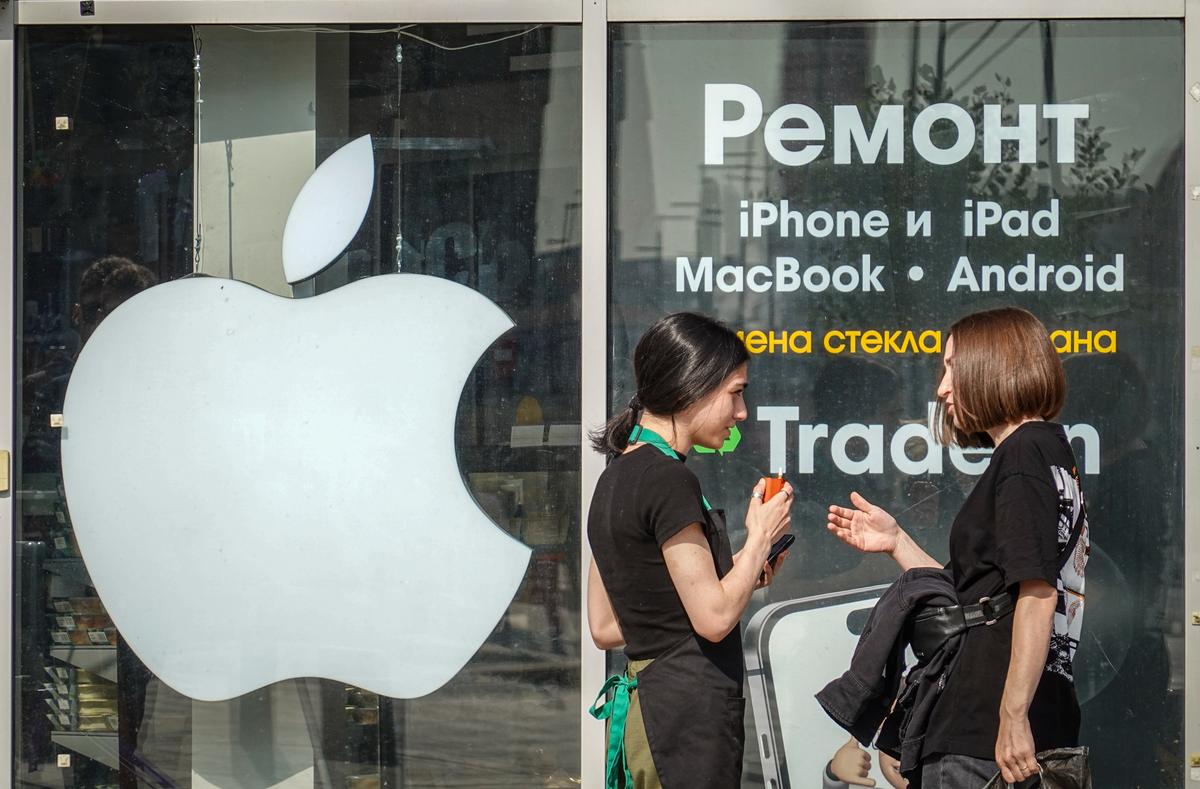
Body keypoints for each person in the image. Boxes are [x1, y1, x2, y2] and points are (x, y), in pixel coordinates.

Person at [826, 307, 1090, 788]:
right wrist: (896, 542)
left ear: (992, 367)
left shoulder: (1023, 456)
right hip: (1016, 722)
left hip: (982, 731)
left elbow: (1037, 592)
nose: (943, 388)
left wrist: (1011, 718)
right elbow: (978, 598)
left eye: (952, 367)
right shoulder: (1050, 452)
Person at [586, 312, 793, 789]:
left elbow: (608, 624)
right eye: (735, 392)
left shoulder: (614, 477)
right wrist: (760, 535)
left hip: (647, 718)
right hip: (686, 723)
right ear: (691, 385)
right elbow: (714, 617)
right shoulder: (669, 480)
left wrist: (748, 568)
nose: (742, 412)